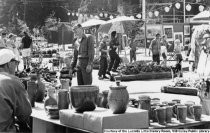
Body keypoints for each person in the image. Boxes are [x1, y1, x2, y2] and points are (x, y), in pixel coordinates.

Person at [0, 49, 32, 132]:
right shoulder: (12, 81)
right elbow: (25, 114)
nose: (16, 66)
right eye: (16, 63)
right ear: (9, 63)